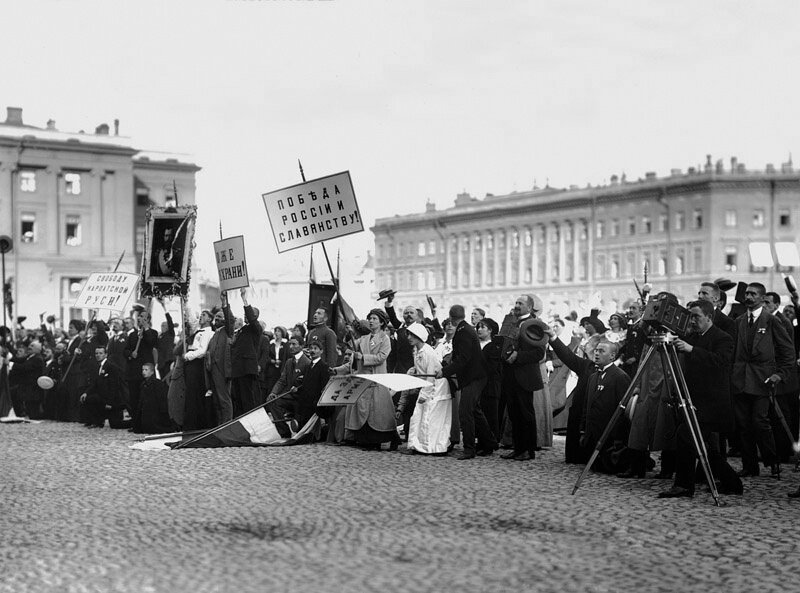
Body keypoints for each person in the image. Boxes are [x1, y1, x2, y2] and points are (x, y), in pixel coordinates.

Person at [660, 300, 743, 498]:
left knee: (688, 436)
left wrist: (691, 350)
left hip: (713, 403)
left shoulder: (723, 338)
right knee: (701, 444)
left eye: (696, 316)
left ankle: (684, 486)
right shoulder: (693, 336)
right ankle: (732, 483)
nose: (693, 320)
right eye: (690, 317)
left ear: (709, 317)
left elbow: (721, 363)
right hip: (695, 401)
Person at [732, 282, 795, 479]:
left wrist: (780, 374)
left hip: (763, 381)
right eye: (747, 294)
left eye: (753, 294)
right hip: (740, 380)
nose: (748, 297)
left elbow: (788, 351)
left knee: (760, 422)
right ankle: (749, 466)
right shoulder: (740, 321)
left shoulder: (772, 321)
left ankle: (772, 460)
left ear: (762, 298)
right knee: (743, 425)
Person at [547, 331, 632, 472]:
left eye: (601, 351)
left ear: (612, 356)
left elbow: (622, 410)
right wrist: (553, 338)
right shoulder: (587, 367)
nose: (597, 353)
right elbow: (567, 356)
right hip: (583, 428)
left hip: (604, 434)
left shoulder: (620, 376)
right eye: (596, 350)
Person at [332, 309, 400, 450]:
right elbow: (351, 349)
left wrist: (363, 357)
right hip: (364, 380)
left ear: (381, 322)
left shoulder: (385, 339)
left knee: (379, 412)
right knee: (364, 411)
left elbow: (381, 357)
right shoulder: (363, 339)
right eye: (370, 318)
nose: (371, 321)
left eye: (374, 318)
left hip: (377, 379)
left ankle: (384, 439)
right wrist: (348, 332)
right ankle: (366, 440)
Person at [438, 304, 497, 460]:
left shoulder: (463, 332)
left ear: (451, 317)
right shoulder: (465, 329)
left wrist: (444, 371)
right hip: (476, 376)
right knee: (475, 411)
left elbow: (463, 358)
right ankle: (489, 442)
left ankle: (469, 448)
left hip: (474, 377)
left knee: (465, 412)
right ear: (463, 316)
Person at [499, 295, 545, 461]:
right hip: (510, 376)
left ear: (530, 307)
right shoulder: (511, 322)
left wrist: (518, 356)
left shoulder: (535, 324)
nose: (517, 306)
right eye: (516, 303)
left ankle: (528, 450)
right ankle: (518, 448)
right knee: (514, 414)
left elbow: (539, 353)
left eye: (521, 303)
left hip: (525, 376)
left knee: (526, 414)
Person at [403, 322, 452, 455]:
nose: (409, 337)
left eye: (412, 335)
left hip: (436, 387)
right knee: (419, 415)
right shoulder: (417, 351)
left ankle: (435, 447)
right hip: (427, 386)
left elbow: (431, 375)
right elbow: (421, 371)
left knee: (431, 417)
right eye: (408, 334)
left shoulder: (428, 352)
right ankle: (418, 445)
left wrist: (424, 395)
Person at [272, 340, 329, 437]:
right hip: (302, 398)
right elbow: (303, 383)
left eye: (315, 349)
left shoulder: (322, 366)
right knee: (274, 401)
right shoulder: (308, 366)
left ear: (321, 351)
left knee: (303, 426)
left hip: (311, 400)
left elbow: (323, 386)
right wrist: (297, 388)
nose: (312, 351)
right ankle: (286, 431)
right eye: (311, 348)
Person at [230, 287, 262, 417]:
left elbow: (251, 318)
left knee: (247, 398)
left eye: (249, 314)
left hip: (246, 369)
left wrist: (244, 299)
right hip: (238, 369)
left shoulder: (256, 329)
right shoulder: (242, 330)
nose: (245, 316)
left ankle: (249, 422)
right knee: (238, 398)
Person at [124, 311, 158, 432]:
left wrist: (146, 329)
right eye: (139, 317)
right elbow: (125, 350)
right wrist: (130, 354)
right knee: (134, 399)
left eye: (143, 317)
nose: (140, 319)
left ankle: (146, 423)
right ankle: (135, 424)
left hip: (146, 370)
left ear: (148, 320)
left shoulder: (152, 333)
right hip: (133, 371)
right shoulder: (132, 335)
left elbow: (152, 343)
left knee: (146, 398)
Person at [79, 345, 127, 429]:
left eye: (100, 353)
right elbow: (94, 383)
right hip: (102, 396)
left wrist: (110, 403)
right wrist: (86, 393)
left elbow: (114, 386)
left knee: (116, 425)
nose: (98, 355)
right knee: (90, 398)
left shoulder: (111, 367)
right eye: (96, 353)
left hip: (113, 400)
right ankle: (97, 421)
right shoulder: (97, 367)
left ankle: (134, 423)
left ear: (106, 354)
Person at [204, 293, 234, 425]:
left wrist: (224, 303)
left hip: (222, 370)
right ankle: (220, 425)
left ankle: (227, 424)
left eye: (220, 317)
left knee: (224, 399)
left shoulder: (227, 331)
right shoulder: (215, 333)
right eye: (216, 317)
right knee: (216, 400)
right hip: (213, 371)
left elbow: (230, 319)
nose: (217, 319)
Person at [182, 310, 214, 430]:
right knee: (190, 393)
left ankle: (195, 424)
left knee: (195, 393)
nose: (201, 317)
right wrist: (185, 303)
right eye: (200, 315)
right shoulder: (198, 331)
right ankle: (190, 423)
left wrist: (188, 356)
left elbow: (202, 350)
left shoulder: (208, 333)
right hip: (191, 362)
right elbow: (191, 320)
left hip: (196, 362)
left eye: (204, 315)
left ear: (210, 319)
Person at [476, 318, 502, 442]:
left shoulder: (494, 347)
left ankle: (491, 441)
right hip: (478, 384)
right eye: (478, 327)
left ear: (490, 330)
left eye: (482, 327)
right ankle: (482, 439)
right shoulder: (476, 345)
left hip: (490, 385)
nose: (479, 329)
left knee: (490, 414)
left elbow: (492, 367)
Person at [137, 362, 172, 434]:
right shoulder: (143, 384)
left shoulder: (157, 384)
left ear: (152, 372)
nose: (143, 372)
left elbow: (161, 400)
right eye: (143, 370)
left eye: (146, 370)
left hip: (154, 413)